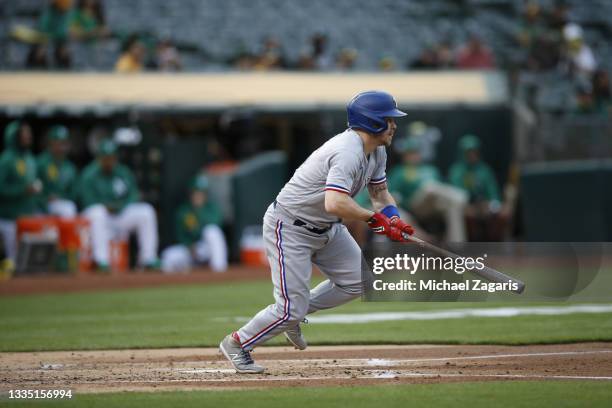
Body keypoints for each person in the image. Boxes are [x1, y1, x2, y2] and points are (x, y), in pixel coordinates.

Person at [219, 91, 415, 373]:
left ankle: (295, 314)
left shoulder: (378, 151)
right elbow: (334, 202)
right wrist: (373, 219)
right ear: (372, 123)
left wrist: (393, 218)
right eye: (389, 120)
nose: (394, 125)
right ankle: (238, 343)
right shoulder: (347, 151)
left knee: (359, 281)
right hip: (290, 226)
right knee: (289, 309)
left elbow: (380, 193)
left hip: (327, 227)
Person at [80, 139, 159, 271]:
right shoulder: (89, 174)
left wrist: (120, 205)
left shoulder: (122, 172)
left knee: (146, 211)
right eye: (106, 158)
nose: (109, 161)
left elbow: (134, 194)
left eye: (112, 158)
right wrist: (107, 206)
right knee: (97, 212)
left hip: (119, 215)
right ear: (99, 158)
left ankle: (148, 259)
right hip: (99, 220)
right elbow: (87, 201)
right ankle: (101, 261)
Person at [388, 137, 467, 242]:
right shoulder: (399, 171)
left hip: (433, 206)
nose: (413, 156)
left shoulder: (431, 170)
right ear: (404, 155)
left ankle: (457, 247)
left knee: (453, 207)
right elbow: (392, 195)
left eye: (415, 152)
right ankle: (461, 196)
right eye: (410, 153)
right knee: (429, 187)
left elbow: (442, 190)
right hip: (414, 206)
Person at [161, 175, 228, 273]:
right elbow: (180, 236)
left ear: (205, 195)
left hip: (206, 249)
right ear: (190, 193)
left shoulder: (212, 209)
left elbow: (216, 226)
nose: (198, 196)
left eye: (201, 193)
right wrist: (190, 247)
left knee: (212, 231)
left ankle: (219, 271)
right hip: (189, 250)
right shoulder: (183, 211)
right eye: (195, 192)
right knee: (168, 256)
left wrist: (198, 212)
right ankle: (183, 280)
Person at [448, 135, 507, 241]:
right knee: (469, 216)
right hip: (466, 206)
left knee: (503, 214)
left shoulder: (485, 170)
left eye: (474, 152)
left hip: (485, 205)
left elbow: (493, 192)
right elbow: (456, 194)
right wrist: (470, 205)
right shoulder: (456, 171)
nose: (472, 155)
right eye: (468, 153)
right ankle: (473, 247)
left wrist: (492, 204)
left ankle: (495, 245)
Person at [0, 121, 42, 263]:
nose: (29, 137)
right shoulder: (6, 159)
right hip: (8, 218)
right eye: (25, 134)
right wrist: (22, 190)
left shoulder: (30, 158)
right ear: (15, 136)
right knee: (13, 262)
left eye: (29, 133)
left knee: (30, 262)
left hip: (29, 215)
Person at [36, 125, 78, 218]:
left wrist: (60, 197)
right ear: (50, 143)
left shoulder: (70, 167)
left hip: (62, 204)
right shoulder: (40, 163)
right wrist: (46, 198)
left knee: (69, 208)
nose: (61, 147)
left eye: (64, 143)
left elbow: (74, 193)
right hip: (41, 205)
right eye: (57, 143)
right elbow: (35, 188)